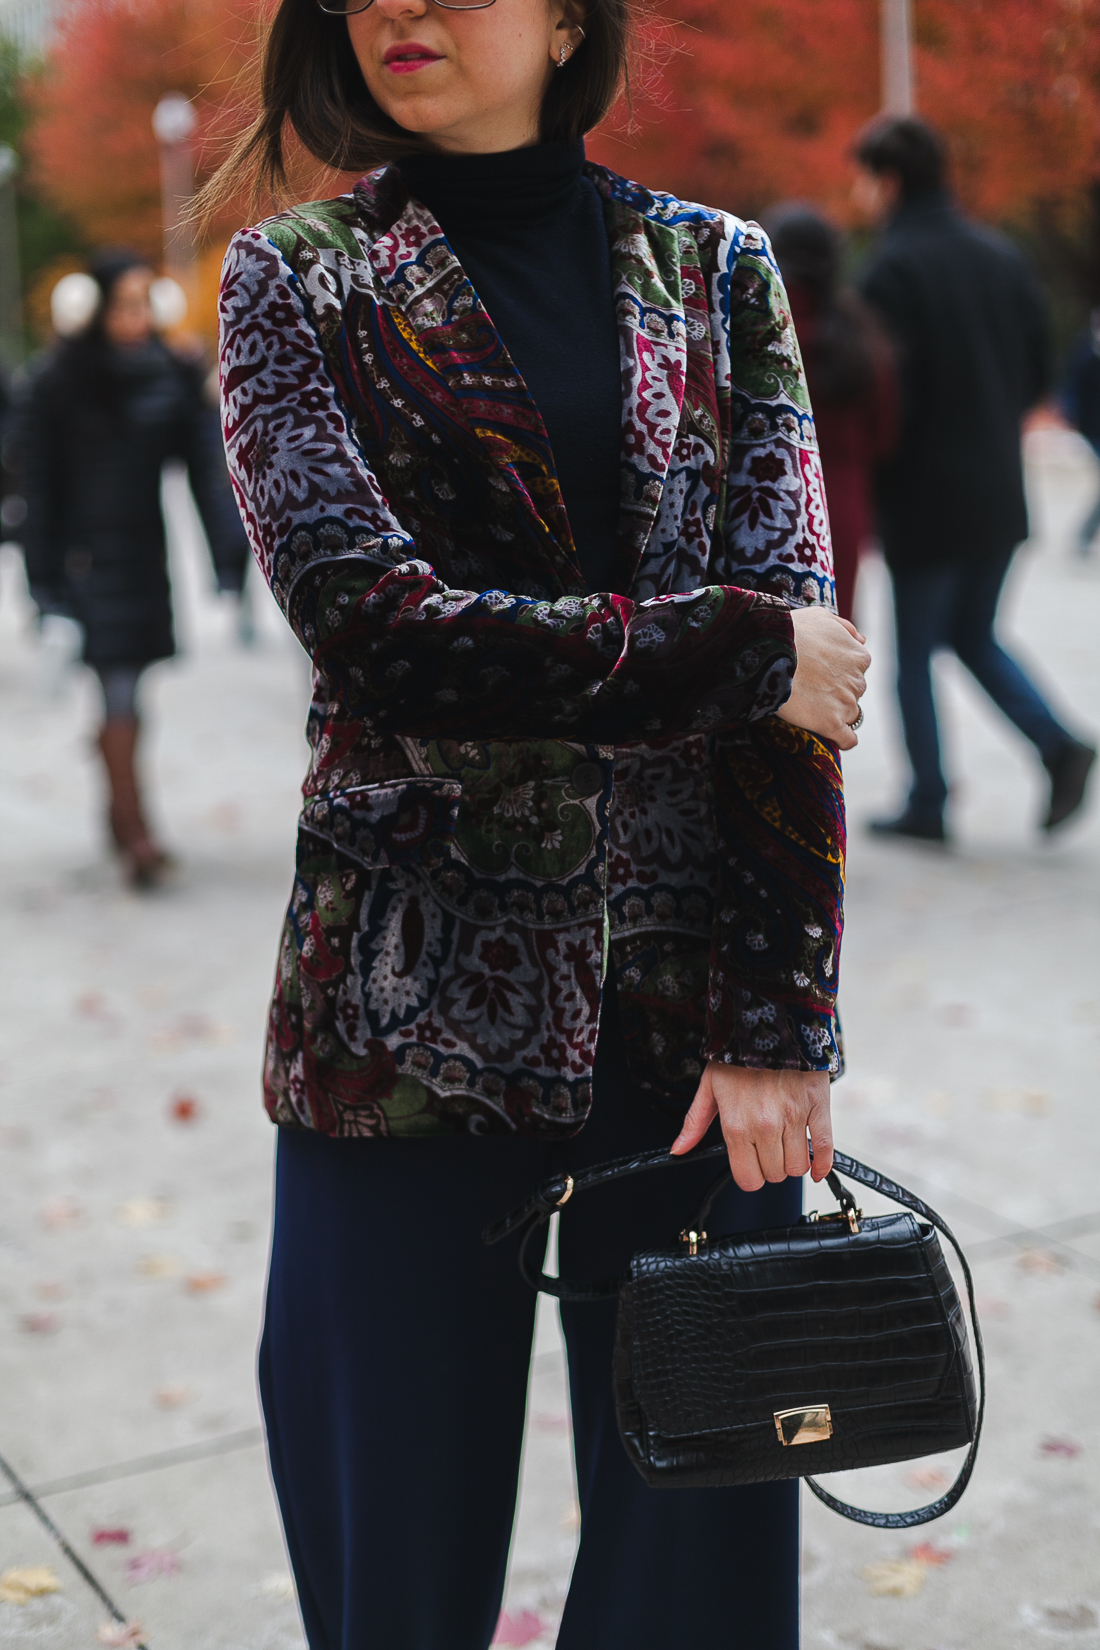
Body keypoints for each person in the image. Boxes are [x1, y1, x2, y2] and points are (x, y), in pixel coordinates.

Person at [208, 0, 871, 1643]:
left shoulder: (713, 269)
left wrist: (781, 1021)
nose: (401, 10)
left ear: (570, 13)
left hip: (690, 1017)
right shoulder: (299, 281)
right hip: (401, 1012)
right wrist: (734, 653)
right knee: (393, 1578)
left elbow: (814, 675)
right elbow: (379, 627)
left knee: (700, 1591)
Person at [853, 115, 1096, 842]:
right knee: (973, 632)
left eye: (865, 178)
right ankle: (1058, 744)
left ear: (889, 180)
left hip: (926, 494)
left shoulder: (891, 270)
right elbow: (1037, 364)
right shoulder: (1000, 255)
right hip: (996, 485)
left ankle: (928, 801)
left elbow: (887, 394)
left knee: (914, 657)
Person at [15, 250, 250, 886]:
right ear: (94, 308)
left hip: (145, 556)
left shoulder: (166, 377)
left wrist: (229, 554)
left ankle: (119, 808)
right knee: (118, 687)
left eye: (144, 303)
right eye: (123, 304)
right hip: (86, 560)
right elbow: (37, 487)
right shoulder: (56, 381)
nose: (135, 316)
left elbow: (208, 468)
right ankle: (135, 827)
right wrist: (43, 582)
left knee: (132, 689)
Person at [766, 201, 899, 623]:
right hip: (841, 504)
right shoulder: (858, 331)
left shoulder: (748, 325)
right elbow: (883, 433)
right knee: (833, 644)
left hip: (762, 507)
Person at [1060, 305, 1100, 556]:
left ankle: (1084, 536)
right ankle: (1083, 536)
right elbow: (1070, 385)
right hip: (1092, 427)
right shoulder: (1085, 348)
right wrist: (1070, 413)